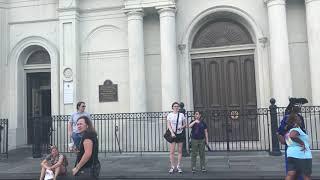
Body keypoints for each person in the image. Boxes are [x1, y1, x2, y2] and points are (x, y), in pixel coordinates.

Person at [277, 99, 306, 180]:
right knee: (292, 172)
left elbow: (303, 130)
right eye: (298, 105)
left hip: (299, 148)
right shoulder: (287, 117)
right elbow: (280, 132)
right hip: (292, 147)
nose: (300, 107)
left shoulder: (300, 117)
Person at [285, 113, 312, 180]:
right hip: (302, 155)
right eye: (299, 119)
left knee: (291, 174)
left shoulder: (288, 132)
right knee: (306, 176)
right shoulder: (296, 129)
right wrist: (302, 143)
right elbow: (292, 136)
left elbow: (284, 141)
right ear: (295, 121)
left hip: (291, 155)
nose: (300, 121)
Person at [167, 102, 187, 173]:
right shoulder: (170, 115)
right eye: (174, 106)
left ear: (179, 108)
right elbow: (168, 125)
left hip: (180, 133)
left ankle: (178, 166)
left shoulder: (181, 115)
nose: (176, 107)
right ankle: (172, 166)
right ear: (172, 107)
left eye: (177, 106)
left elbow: (185, 124)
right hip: (173, 134)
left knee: (180, 151)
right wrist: (172, 132)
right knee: (172, 151)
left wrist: (181, 127)